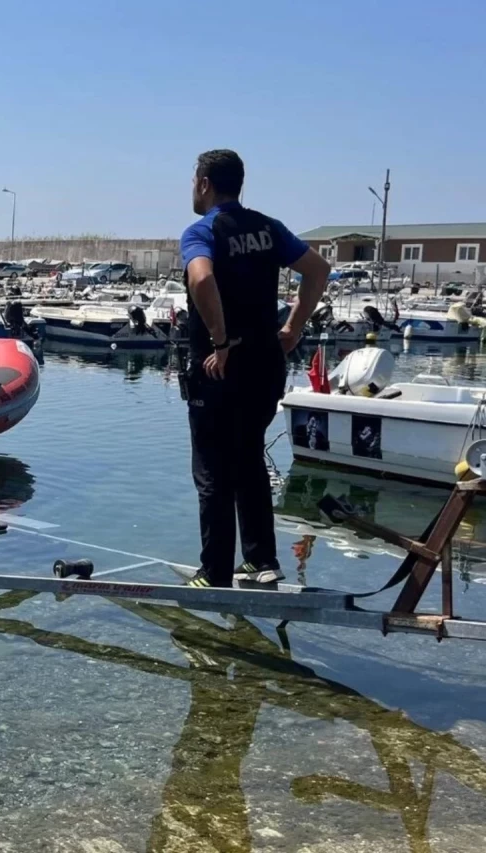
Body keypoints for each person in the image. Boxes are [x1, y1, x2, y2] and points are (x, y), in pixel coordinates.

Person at [180, 149, 330, 588]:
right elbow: (318, 270)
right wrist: (294, 328)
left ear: (205, 183)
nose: (192, 188)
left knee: (212, 470)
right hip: (266, 363)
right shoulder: (269, 227)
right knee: (249, 459)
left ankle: (214, 573)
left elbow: (202, 278)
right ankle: (263, 562)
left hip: (219, 368)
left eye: (193, 180)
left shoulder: (202, 230)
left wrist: (221, 340)